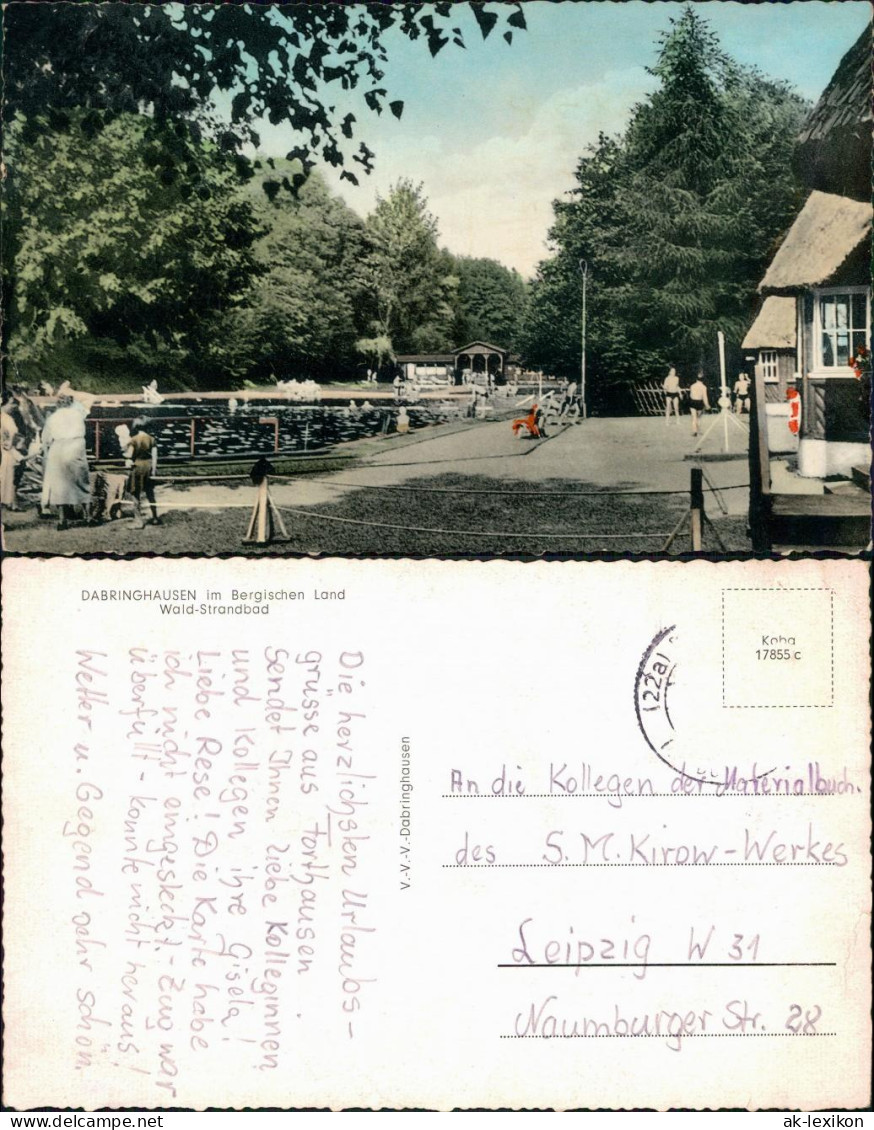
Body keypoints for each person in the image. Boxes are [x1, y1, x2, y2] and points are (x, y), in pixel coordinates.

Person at [40, 391, 91, 529]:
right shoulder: (78, 414)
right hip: (75, 446)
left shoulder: (52, 418)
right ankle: (88, 516)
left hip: (58, 448)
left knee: (59, 485)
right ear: (71, 402)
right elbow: (89, 398)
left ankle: (62, 520)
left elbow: (46, 439)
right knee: (81, 481)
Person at [124, 418, 162, 528]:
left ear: (136, 427)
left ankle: (138, 520)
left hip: (138, 466)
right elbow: (155, 457)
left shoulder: (134, 440)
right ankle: (155, 517)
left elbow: (129, 455)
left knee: (135, 494)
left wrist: (124, 452)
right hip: (148, 466)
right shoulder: (152, 439)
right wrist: (154, 470)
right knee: (150, 492)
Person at [1, 407, 24, 509]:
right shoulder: (6, 418)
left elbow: (13, 433)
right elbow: (14, 433)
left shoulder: (6, 418)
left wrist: (9, 443)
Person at [687, 370, 710, 437]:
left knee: (694, 417)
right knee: (699, 418)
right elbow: (704, 397)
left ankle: (694, 431)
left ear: (696, 379)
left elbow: (691, 395)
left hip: (693, 401)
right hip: (699, 402)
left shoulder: (692, 386)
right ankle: (698, 430)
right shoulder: (704, 387)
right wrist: (707, 405)